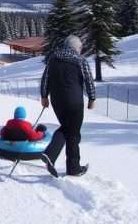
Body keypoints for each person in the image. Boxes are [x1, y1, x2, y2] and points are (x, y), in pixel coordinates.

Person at [40, 35, 96, 177]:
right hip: (74, 102)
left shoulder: (53, 58)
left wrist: (44, 96)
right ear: (76, 47)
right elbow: (89, 80)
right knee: (73, 132)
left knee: (68, 129)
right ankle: (69, 166)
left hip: (57, 102)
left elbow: (45, 78)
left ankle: (62, 161)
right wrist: (92, 98)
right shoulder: (80, 60)